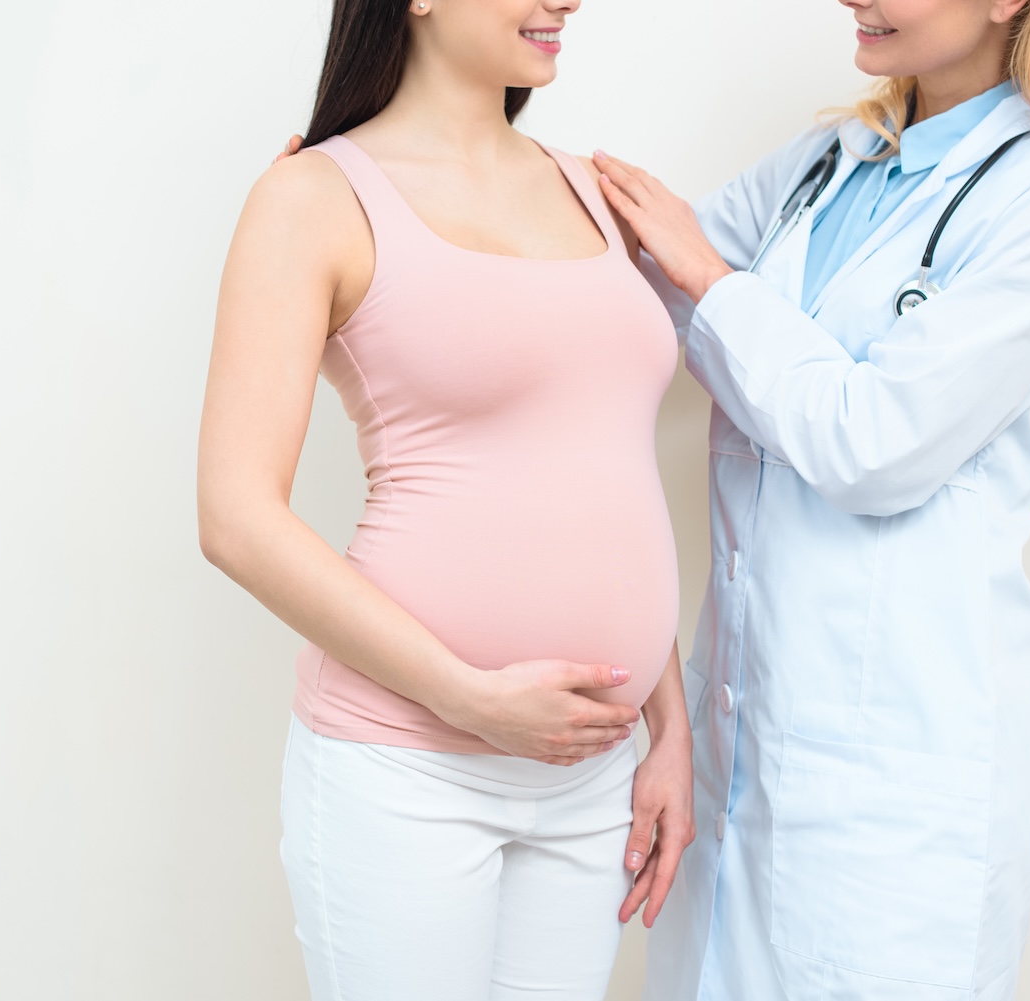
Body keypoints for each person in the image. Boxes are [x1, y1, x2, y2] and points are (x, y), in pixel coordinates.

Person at [590, 0, 1030, 998]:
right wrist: (403, 173)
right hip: (739, 751)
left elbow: (874, 441)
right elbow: (628, 265)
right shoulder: (835, 160)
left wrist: (714, 280)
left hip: (893, 794)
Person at [198, 1, 694, 999]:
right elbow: (235, 516)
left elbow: (604, 477)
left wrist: (669, 728)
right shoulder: (310, 198)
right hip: (408, 771)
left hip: (589, 774)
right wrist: (466, 695)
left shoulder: (595, 190)